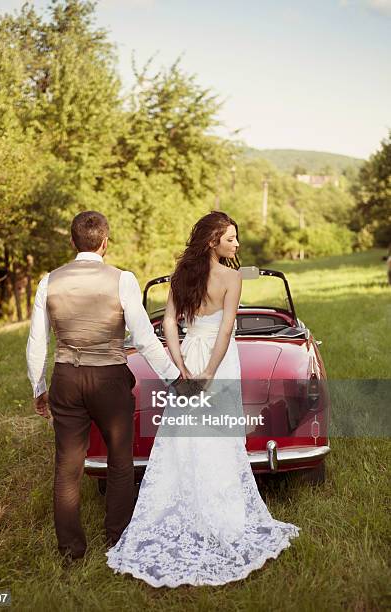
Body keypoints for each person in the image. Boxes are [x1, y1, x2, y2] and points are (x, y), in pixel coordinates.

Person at [106, 211, 300, 587]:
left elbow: (169, 324)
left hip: (188, 357)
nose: (237, 244)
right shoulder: (230, 278)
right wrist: (210, 372)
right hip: (218, 361)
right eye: (231, 238)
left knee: (185, 437)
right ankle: (221, 517)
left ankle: (188, 512)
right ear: (213, 241)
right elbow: (227, 329)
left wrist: (180, 366)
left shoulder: (181, 276)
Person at [26, 211, 181, 560]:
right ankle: (118, 540)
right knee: (120, 462)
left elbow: (38, 341)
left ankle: (70, 551)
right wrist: (173, 377)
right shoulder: (122, 279)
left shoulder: (49, 281)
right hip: (110, 378)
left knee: (67, 466)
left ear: (72, 241)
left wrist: (39, 388)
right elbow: (144, 339)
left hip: (66, 377)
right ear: (105, 243)